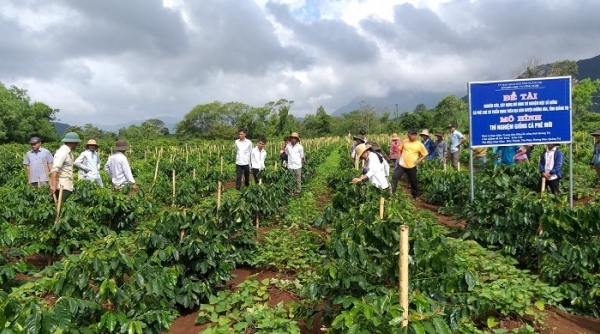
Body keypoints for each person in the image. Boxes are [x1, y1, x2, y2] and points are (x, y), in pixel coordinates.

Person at [391, 129, 428, 199]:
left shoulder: (419, 145)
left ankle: (415, 195)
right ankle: (392, 192)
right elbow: (399, 149)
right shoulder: (405, 141)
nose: (408, 137)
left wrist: (418, 161)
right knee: (395, 177)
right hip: (402, 165)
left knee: (413, 181)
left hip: (411, 166)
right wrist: (398, 159)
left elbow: (425, 154)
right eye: (408, 136)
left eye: (410, 136)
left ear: (414, 135)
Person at [50, 132, 81, 201]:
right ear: (73, 143)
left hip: (67, 184)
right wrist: (54, 185)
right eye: (76, 143)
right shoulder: (62, 152)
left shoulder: (69, 152)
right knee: (61, 206)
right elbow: (54, 169)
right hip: (62, 185)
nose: (77, 145)